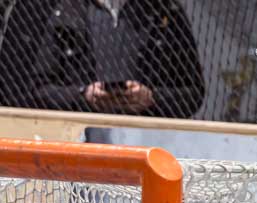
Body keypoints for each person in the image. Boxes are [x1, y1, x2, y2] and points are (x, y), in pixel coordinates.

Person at [1, 0, 204, 118]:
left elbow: (193, 92)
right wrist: (84, 96)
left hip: (147, 143)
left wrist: (151, 98)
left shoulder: (163, 9)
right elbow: (31, 89)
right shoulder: (57, 8)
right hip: (73, 141)